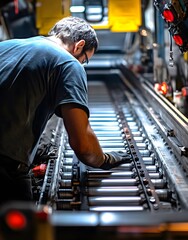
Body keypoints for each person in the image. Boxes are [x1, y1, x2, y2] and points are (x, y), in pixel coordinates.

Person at [0, 16, 131, 204]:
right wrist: (105, 159)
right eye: (85, 60)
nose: (82, 64)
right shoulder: (68, 64)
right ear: (79, 46)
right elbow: (83, 146)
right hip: (5, 165)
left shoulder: (7, 46)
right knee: (24, 230)